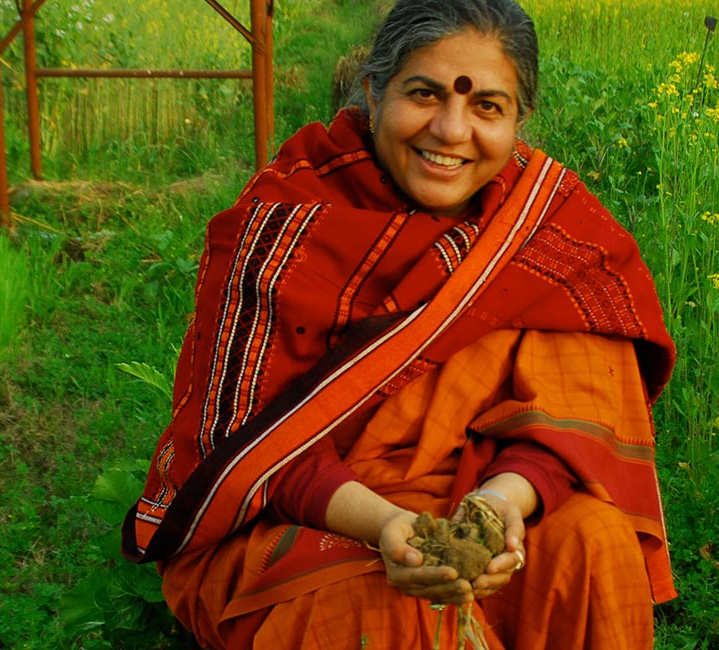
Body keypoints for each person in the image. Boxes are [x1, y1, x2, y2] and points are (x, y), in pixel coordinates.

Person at [122, 0, 677, 647]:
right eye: (424, 94)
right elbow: (251, 443)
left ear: (519, 119)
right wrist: (389, 524)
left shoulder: (549, 233)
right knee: (387, 610)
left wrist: (501, 504)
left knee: (596, 545)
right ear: (373, 92)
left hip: (478, 486)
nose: (450, 129)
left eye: (486, 107)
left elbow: (573, 416)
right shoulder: (282, 228)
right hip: (298, 510)